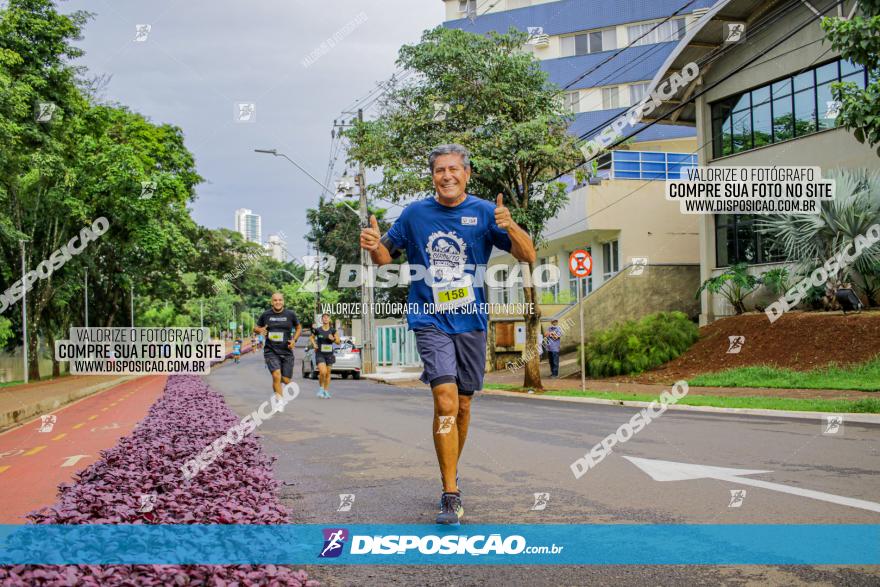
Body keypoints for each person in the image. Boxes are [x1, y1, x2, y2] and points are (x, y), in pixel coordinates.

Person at [360, 143, 536, 525]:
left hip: (471, 321)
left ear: (467, 174)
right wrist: (375, 248)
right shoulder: (415, 214)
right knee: (445, 400)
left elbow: (528, 254)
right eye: (440, 170)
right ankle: (450, 492)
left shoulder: (487, 212)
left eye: (454, 169)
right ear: (433, 176)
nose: (447, 176)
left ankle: (451, 466)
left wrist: (510, 226)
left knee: (464, 405)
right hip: (429, 319)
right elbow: (386, 257)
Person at [253, 292, 301, 398]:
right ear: (271, 302)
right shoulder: (266, 315)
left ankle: (279, 388)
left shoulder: (290, 314)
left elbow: (298, 327)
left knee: (286, 379)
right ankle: (279, 400)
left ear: (283, 301)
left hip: (286, 351)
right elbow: (255, 328)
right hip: (271, 351)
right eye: (275, 300)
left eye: (280, 300)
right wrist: (260, 330)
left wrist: (294, 340)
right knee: (276, 375)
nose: (277, 302)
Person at [310, 313, 340, 399]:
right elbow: (311, 338)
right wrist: (314, 344)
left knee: (328, 373)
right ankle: (321, 388)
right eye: (324, 318)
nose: (326, 319)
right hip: (320, 353)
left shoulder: (333, 331)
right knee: (323, 372)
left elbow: (338, 341)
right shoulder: (318, 330)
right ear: (322, 320)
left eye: (327, 317)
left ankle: (326, 391)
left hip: (329, 354)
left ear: (329, 319)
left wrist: (333, 339)